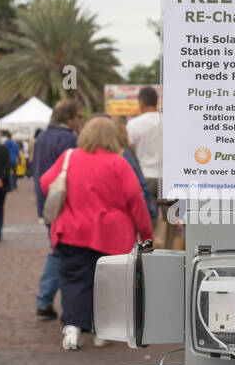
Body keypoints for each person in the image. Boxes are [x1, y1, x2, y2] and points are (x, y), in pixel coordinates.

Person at [41, 115, 153, 350]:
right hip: (112, 235)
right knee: (107, 284)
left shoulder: (69, 158)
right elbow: (136, 200)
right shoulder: (119, 163)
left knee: (73, 279)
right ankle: (100, 331)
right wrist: (146, 233)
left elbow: (45, 183)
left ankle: (72, 329)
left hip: (73, 231)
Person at [32, 99, 81, 320]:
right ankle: (46, 299)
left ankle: (47, 299)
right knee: (59, 251)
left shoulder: (42, 137)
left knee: (56, 248)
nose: (80, 121)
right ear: (69, 118)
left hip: (46, 202)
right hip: (64, 203)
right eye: (78, 117)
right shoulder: (69, 139)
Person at [126, 85, 163, 212]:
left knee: (147, 217)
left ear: (141, 102)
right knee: (170, 221)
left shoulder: (133, 125)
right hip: (167, 178)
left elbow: (129, 151)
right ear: (156, 101)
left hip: (144, 176)